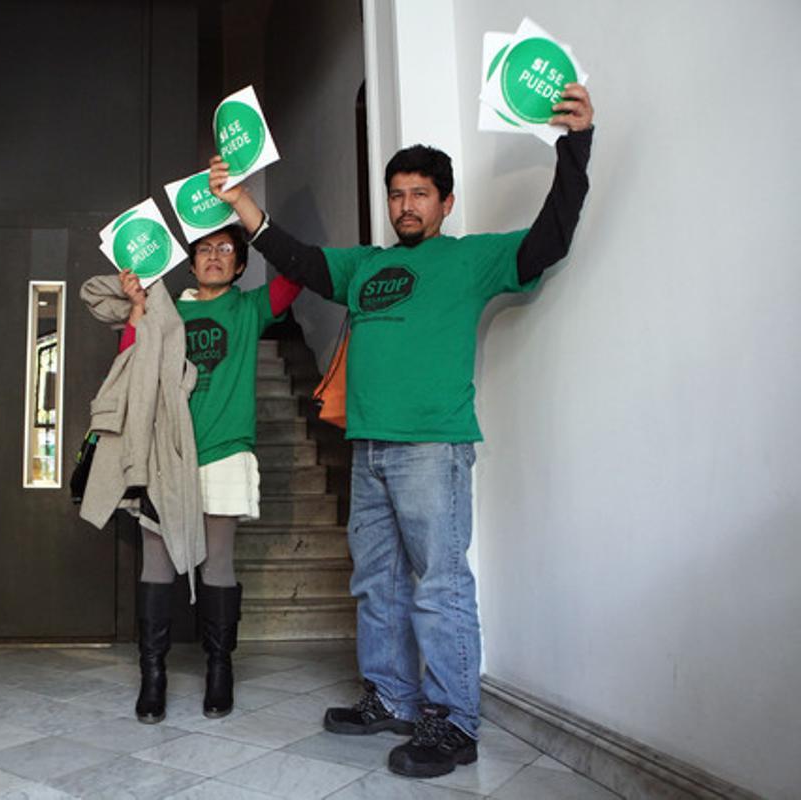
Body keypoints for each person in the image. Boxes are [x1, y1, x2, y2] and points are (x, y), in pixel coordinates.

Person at [207, 84, 595, 777]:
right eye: (396, 194)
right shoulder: (365, 266)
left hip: (432, 449)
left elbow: (551, 238)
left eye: (420, 194)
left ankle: (453, 722)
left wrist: (575, 147)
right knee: (375, 580)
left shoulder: (470, 258)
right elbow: (301, 261)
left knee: (438, 584)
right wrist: (245, 210)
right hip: (369, 447)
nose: (406, 205)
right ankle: (391, 698)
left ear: (445, 204)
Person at [117, 225, 302, 723]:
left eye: (226, 250)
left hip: (224, 452)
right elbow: (129, 362)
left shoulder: (249, 308)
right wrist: (137, 305)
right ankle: (152, 675)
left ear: (240, 265)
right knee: (156, 565)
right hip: (165, 454)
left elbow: (297, 273)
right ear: (192, 261)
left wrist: (252, 218)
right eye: (205, 249)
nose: (215, 257)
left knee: (217, 564)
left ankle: (220, 668)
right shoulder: (167, 308)